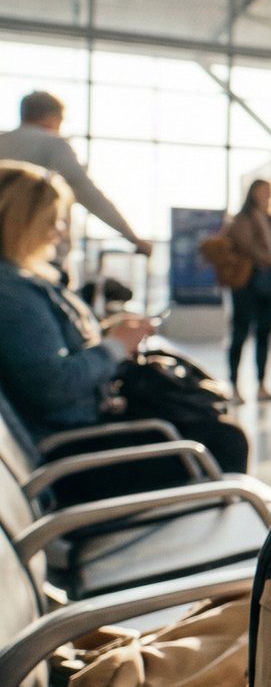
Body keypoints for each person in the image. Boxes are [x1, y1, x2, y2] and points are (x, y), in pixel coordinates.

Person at [0, 160, 247, 473]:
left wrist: (110, 334)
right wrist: (115, 346)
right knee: (224, 439)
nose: (59, 232)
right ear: (19, 222)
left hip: (77, 430)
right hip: (71, 450)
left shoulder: (20, 285)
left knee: (206, 422)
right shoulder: (14, 293)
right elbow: (56, 386)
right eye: (52, 220)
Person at [0, 92, 153, 275]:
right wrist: (133, 237)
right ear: (52, 117)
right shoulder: (53, 145)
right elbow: (89, 195)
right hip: (36, 255)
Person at [223, 179, 271, 403]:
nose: (267, 195)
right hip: (247, 282)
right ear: (253, 193)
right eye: (263, 191)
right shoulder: (242, 219)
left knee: (264, 334)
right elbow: (248, 247)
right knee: (240, 333)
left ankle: (261, 384)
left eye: (270, 191)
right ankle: (234, 386)